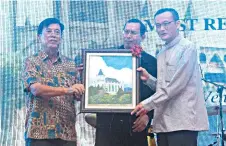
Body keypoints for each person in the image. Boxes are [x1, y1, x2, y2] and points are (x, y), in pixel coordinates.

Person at [131, 8, 209, 146]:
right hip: (163, 124)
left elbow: (175, 87)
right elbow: (163, 88)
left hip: (183, 123)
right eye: (158, 25)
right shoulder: (161, 53)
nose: (162, 29)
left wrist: (146, 105)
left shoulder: (187, 48)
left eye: (166, 23)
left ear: (177, 24)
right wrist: (148, 78)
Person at [22, 18, 84, 146]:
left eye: (57, 32)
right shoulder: (31, 61)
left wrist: (83, 86)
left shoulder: (71, 64)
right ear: (39, 36)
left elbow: (78, 96)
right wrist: (67, 90)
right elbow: (36, 89)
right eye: (49, 31)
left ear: (61, 38)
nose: (53, 35)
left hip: (67, 133)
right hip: (39, 134)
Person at [95, 19, 157, 146]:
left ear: (143, 36)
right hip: (108, 125)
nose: (128, 36)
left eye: (133, 33)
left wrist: (148, 116)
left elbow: (159, 93)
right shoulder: (106, 57)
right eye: (126, 32)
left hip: (135, 124)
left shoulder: (152, 62)